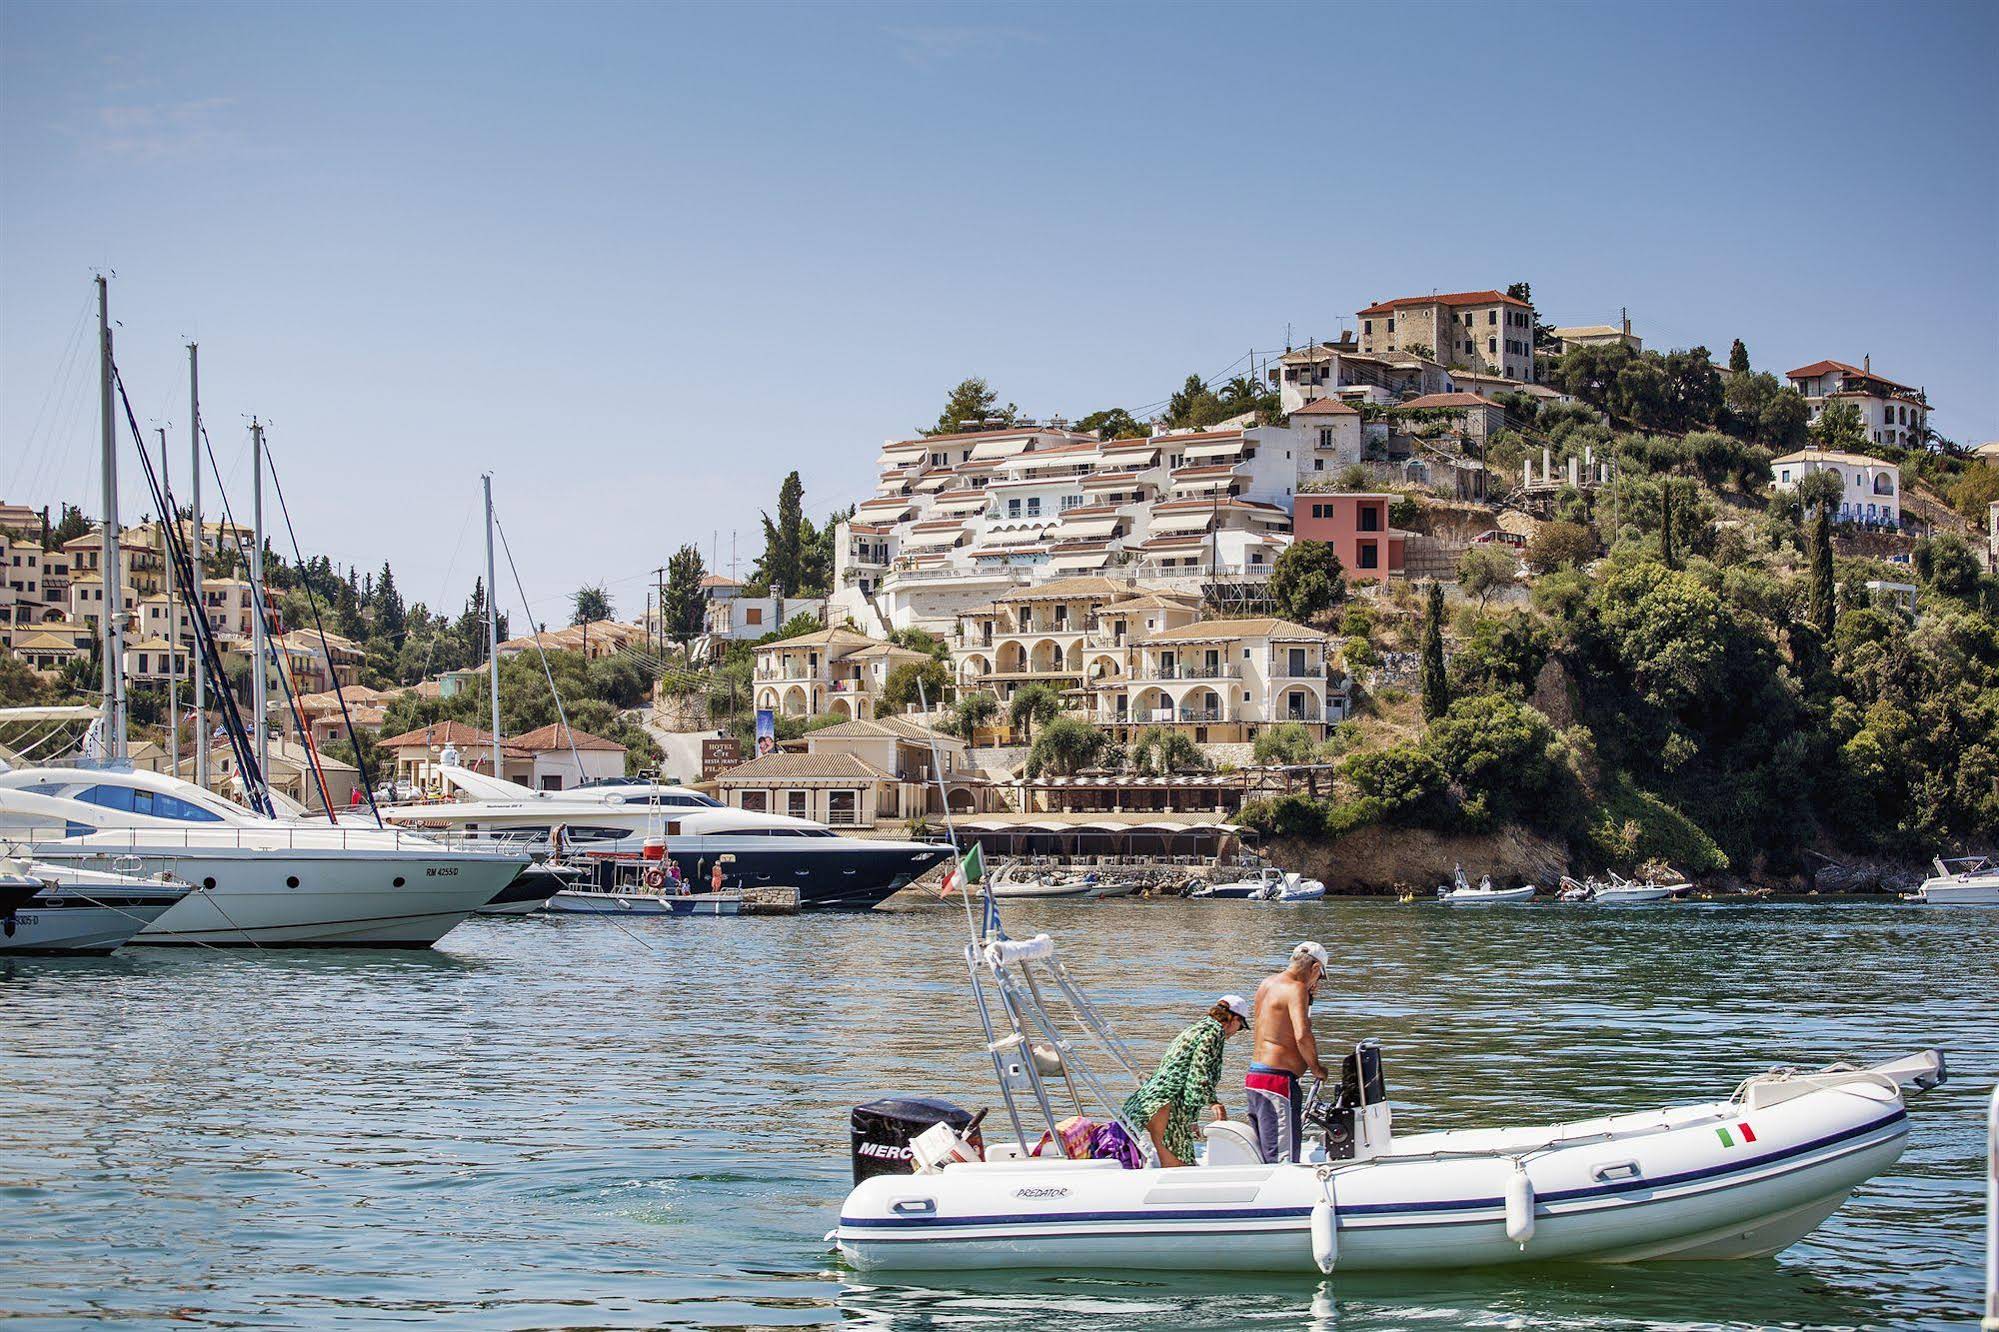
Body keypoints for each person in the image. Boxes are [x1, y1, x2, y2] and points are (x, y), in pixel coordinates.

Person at [1122, 995, 1252, 1168]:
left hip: (1148, 1102)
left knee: (1175, 1168)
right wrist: (1213, 1102)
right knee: (1180, 1170)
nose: (1236, 1032)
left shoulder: (1196, 1029)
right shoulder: (1214, 1033)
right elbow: (1200, 1071)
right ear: (1234, 1019)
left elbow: (1182, 1075)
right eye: (1240, 1027)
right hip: (1168, 1107)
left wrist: (1191, 1120)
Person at [1247, 941, 1329, 1164]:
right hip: (1278, 1083)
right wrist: (1316, 1068)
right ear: (1314, 968)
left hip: (1256, 1078)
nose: (1317, 982)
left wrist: (1308, 997)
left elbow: (1276, 1025)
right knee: (1283, 1160)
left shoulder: (1267, 983)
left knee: (1266, 1154)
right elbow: (1301, 1035)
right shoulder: (1296, 988)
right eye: (1320, 976)